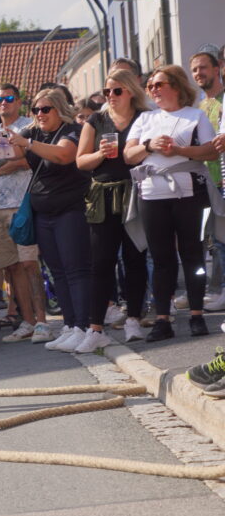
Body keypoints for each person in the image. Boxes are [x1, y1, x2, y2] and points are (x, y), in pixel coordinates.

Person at [123, 64, 220, 342]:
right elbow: (128, 155)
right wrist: (149, 146)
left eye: (159, 84)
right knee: (161, 258)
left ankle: (197, 315)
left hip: (189, 194)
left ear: (176, 86)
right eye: (150, 85)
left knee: (193, 254)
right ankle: (162, 319)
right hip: (152, 194)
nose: (153, 89)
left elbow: (211, 151)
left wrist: (178, 150)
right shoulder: (145, 119)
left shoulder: (195, 115)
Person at [5, 87, 91, 351]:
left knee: (75, 269)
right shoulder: (33, 132)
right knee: (57, 272)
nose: (39, 114)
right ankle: (70, 325)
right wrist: (6, 142)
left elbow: (64, 155)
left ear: (59, 109)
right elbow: (13, 155)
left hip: (70, 210)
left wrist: (28, 144)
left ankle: (84, 326)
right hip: (43, 212)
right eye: (36, 110)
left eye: (45, 109)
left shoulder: (72, 130)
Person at [74, 68, 149, 349]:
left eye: (117, 90)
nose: (111, 96)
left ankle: (134, 319)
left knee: (135, 257)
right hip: (103, 194)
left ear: (131, 91)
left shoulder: (144, 117)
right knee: (102, 261)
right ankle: (95, 328)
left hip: (135, 191)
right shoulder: (97, 119)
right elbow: (80, 161)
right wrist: (100, 154)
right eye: (107, 91)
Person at [0, 84, 48, 344]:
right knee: (11, 267)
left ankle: (42, 321)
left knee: (29, 263)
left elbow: (31, 161)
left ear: (18, 101)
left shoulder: (29, 126)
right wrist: (5, 162)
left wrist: (0, 164)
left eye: (8, 98)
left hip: (23, 202)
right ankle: (27, 321)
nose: (3, 103)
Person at [190, 46, 225, 311]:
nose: (198, 73)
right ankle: (216, 289)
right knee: (214, 242)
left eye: (203, 67)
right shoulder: (199, 108)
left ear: (217, 68)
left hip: (223, 180)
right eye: (194, 70)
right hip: (206, 182)